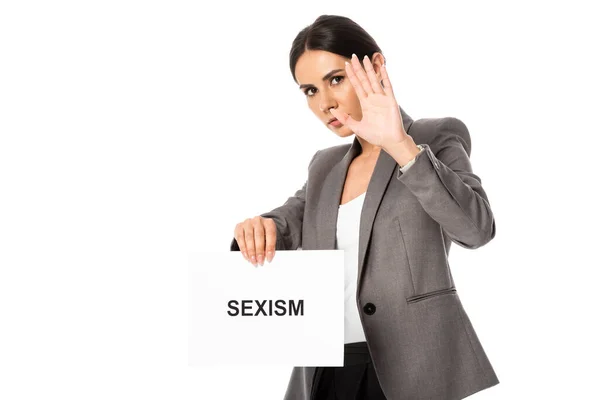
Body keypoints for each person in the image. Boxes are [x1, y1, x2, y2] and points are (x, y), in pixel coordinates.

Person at [230, 14, 499, 400]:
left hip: (412, 366)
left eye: (335, 79)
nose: (325, 103)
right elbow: (288, 220)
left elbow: (476, 229)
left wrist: (400, 145)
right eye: (309, 90)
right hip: (327, 367)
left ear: (374, 66)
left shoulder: (433, 137)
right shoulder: (325, 165)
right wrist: (259, 227)